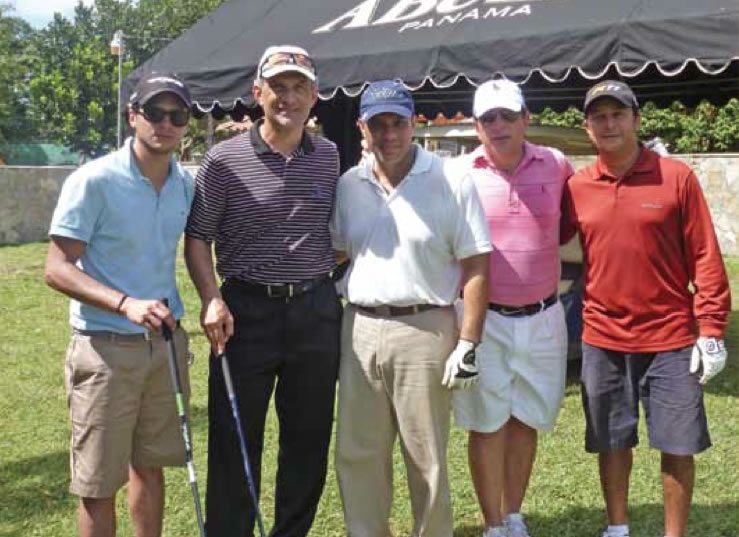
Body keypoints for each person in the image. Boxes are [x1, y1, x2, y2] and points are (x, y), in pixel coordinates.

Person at [561, 80, 731, 537]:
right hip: (602, 337)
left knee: (678, 444)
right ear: (587, 127)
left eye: (618, 114)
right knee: (611, 441)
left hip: (671, 338)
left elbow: (705, 255)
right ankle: (617, 527)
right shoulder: (576, 187)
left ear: (636, 120)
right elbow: (553, 245)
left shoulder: (676, 177)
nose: (609, 124)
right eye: (599, 117)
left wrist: (711, 328)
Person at [184, 45, 342, 537]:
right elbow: (197, 237)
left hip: (316, 310)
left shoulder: (329, 156)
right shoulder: (223, 160)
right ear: (258, 93)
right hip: (245, 312)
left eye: (298, 88)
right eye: (278, 87)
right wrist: (211, 297)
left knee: (308, 440)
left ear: (314, 96)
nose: (288, 98)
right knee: (234, 439)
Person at [332, 80, 492, 537]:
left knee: (426, 456)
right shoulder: (349, 184)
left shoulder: (451, 179)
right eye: (378, 125)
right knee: (358, 452)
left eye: (397, 123)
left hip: (426, 328)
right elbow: (340, 251)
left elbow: (477, 264)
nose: (389, 135)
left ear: (413, 123)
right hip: (360, 327)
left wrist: (469, 341)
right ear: (362, 128)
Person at [44, 73, 194, 537]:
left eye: (177, 116)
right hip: (104, 349)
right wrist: (123, 303)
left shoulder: (184, 184)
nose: (165, 124)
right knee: (98, 484)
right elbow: (56, 268)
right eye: (154, 113)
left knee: (150, 466)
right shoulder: (93, 180)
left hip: (164, 346)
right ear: (133, 116)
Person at [446, 79, 574, 537]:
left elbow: (567, 226)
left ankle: (514, 514)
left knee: (525, 419)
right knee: (487, 423)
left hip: (544, 315)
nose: (498, 125)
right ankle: (493, 523)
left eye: (507, 115)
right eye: (488, 118)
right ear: (476, 126)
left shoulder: (556, 164)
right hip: (484, 320)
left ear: (525, 118)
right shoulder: (456, 174)